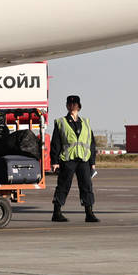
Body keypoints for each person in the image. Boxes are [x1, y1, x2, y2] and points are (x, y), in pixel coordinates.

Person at [50, 94, 99, 223]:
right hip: (68, 159)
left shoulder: (86, 123)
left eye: (75, 104)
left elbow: (91, 143)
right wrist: (54, 161)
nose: (72, 106)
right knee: (63, 185)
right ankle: (57, 212)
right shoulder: (61, 122)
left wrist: (92, 162)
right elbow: (55, 143)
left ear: (79, 106)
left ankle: (89, 213)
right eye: (70, 104)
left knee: (87, 186)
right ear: (67, 106)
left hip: (83, 159)